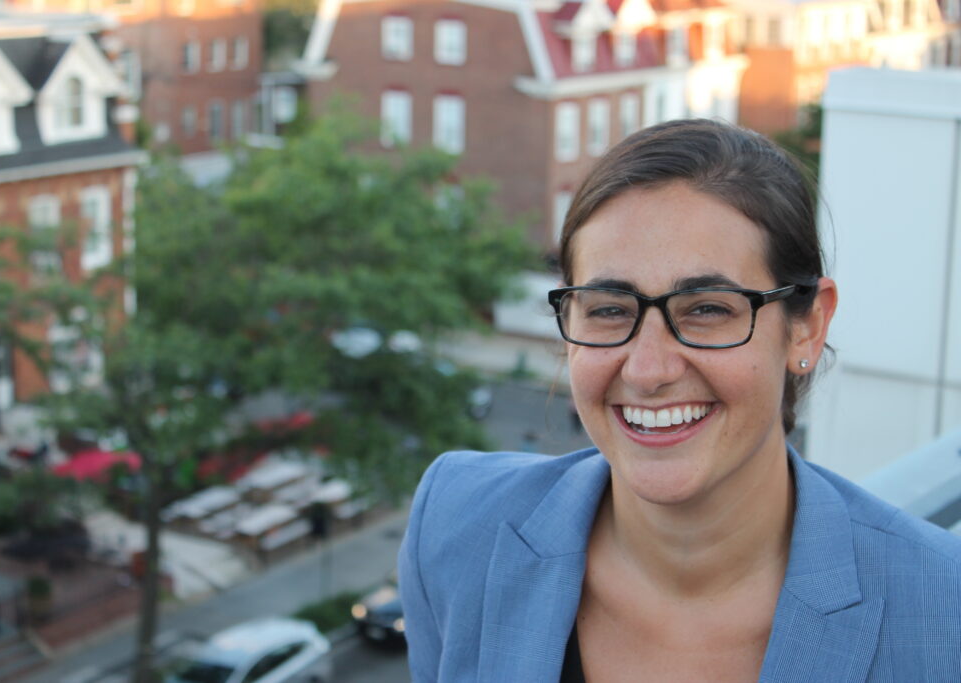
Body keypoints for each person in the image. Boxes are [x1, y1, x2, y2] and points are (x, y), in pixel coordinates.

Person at [398, 119, 961, 682]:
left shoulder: (941, 611)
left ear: (807, 326)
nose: (648, 371)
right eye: (609, 309)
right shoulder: (455, 525)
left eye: (709, 309)